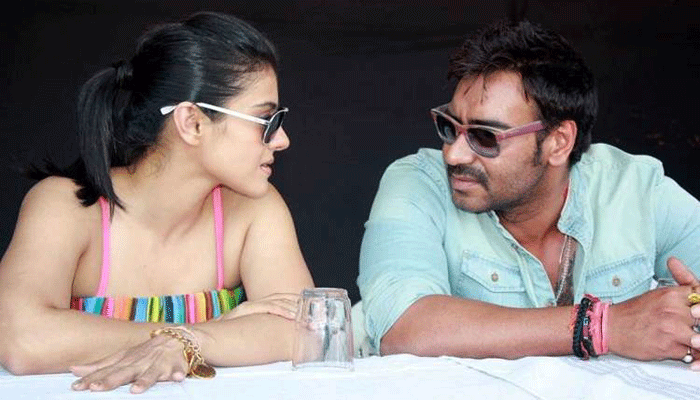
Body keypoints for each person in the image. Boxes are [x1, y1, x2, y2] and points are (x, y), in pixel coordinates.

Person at [0, 11, 314, 393]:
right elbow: (21, 339)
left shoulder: (254, 210)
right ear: (192, 123)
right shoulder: (66, 207)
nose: (281, 140)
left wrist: (190, 342)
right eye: (266, 120)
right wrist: (197, 336)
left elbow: (307, 332)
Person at [357, 20, 700, 367]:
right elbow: (403, 326)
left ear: (558, 143)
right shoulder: (417, 183)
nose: (454, 154)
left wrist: (693, 318)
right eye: (449, 126)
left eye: (484, 136)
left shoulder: (636, 189)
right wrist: (601, 326)